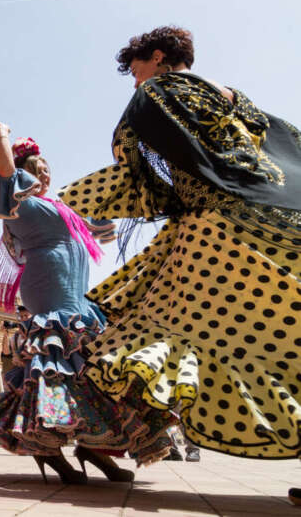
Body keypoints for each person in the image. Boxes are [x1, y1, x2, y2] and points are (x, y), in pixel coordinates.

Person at [57, 27, 301, 498]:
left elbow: (142, 167)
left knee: (163, 335)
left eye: (136, 69)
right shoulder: (236, 99)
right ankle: (103, 440)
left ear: (158, 56)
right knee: (276, 341)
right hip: (278, 222)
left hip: (217, 233)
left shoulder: (160, 91)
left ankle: (95, 437)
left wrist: (83, 197)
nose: (135, 82)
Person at [0, 125, 175, 485]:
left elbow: (107, 216)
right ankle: (49, 448)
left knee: (93, 370)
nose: (45, 173)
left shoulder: (63, 206)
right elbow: (3, 171)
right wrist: (2, 135)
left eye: (47, 168)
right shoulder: (20, 203)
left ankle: (95, 446)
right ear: (23, 172)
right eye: (37, 168)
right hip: (48, 291)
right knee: (57, 370)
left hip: (78, 296)